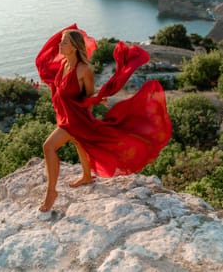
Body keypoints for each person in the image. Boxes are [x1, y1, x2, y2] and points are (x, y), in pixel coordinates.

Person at [36, 23, 172, 212]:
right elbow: (62, 89)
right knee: (79, 142)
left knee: (48, 147)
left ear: (74, 46)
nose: (60, 45)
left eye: (64, 42)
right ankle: (86, 176)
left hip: (76, 120)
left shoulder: (84, 70)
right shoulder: (64, 64)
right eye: (60, 41)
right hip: (67, 115)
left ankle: (51, 193)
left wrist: (97, 99)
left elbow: (88, 95)